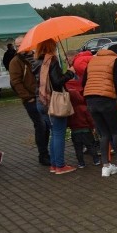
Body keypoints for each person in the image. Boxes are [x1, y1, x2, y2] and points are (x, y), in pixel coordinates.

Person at [83, 43, 117, 176]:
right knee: (115, 132)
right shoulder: (116, 61)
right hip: (106, 100)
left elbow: (84, 82)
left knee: (104, 134)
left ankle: (106, 167)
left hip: (90, 100)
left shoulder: (92, 60)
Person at [9, 35, 51, 166]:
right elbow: (15, 82)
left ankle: (45, 153)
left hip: (43, 96)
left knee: (46, 126)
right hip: (31, 99)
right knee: (41, 125)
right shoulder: (15, 62)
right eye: (17, 45)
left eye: (21, 44)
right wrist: (28, 97)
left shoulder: (36, 56)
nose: (19, 47)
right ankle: (43, 155)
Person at [37, 38, 76, 174]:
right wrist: (70, 72)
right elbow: (58, 81)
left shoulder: (36, 61)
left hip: (40, 101)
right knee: (58, 133)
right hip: (53, 102)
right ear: (51, 45)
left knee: (54, 133)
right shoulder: (51, 61)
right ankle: (60, 165)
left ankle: (54, 164)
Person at [65, 52, 100, 168]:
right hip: (86, 130)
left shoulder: (71, 110)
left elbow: (69, 121)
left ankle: (81, 163)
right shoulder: (84, 108)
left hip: (75, 132)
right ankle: (96, 160)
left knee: (77, 148)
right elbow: (90, 118)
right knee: (91, 145)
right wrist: (93, 126)